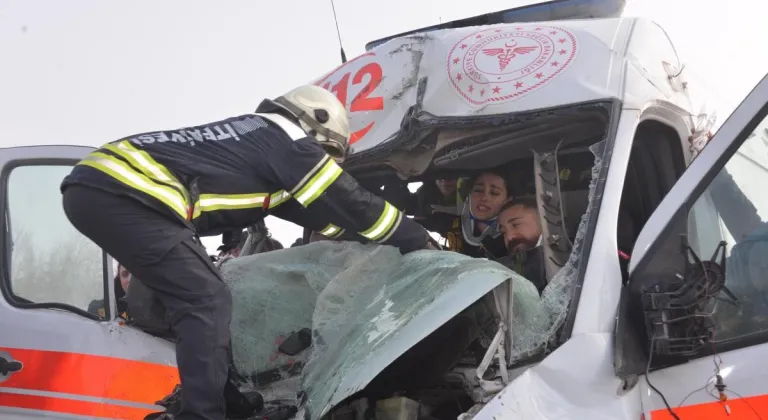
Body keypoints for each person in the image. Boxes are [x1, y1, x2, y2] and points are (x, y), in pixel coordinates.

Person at [59, 84, 433, 420]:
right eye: (331, 158)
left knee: (198, 296)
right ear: (318, 131)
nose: (328, 167)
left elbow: (326, 215)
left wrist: (361, 241)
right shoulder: (287, 139)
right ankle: (202, 415)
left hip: (102, 188)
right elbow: (351, 201)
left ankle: (224, 400)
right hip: (126, 192)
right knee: (206, 300)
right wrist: (417, 239)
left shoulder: (256, 144)